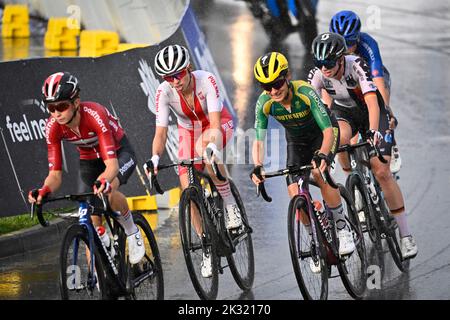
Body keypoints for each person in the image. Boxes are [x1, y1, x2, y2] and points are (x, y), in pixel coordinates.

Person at [308, 33, 417, 259]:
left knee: (382, 171)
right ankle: (353, 181)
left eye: (328, 63)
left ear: (340, 59)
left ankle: (406, 237)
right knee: (339, 140)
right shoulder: (318, 75)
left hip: (372, 112)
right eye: (320, 64)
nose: (324, 69)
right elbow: (317, 115)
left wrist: (375, 131)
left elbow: (371, 101)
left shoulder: (356, 64)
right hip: (346, 114)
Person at [249, 51, 356, 268]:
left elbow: (327, 130)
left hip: (323, 133)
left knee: (319, 173)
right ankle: (315, 240)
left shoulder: (305, 92)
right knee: (295, 196)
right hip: (296, 142)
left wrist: (322, 155)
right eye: (265, 86)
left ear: (287, 76)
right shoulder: (265, 103)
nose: (273, 90)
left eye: (277, 83)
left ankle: (343, 228)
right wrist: (258, 166)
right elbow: (259, 140)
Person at [28, 71, 145, 265]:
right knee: (92, 220)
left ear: (75, 102)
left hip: (118, 154)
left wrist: (104, 181)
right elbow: (55, 175)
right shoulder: (52, 127)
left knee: (108, 190)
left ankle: (132, 231)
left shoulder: (94, 114)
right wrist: (44, 189)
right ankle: (102, 276)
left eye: (62, 106)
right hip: (89, 160)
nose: (56, 113)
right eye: (51, 108)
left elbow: (112, 166)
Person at [147, 44, 240, 278]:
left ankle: (229, 204)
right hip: (188, 131)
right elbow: (160, 133)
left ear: (188, 68)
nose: (175, 81)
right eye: (168, 77)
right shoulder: (164, 92)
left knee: (205, 151)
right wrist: (155, 158)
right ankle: (206, 244)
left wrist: (210, 147)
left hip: (215, 124)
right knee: (186, 189)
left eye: (178, 74)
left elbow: (216, 124)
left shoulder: (205, 80)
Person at [329, 10, 401, 173]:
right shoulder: (329, 47)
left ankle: (390, 139)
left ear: (358, 38)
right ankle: (355, 178)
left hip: (371, 76)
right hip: (348, 80)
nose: (346, 50)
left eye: (350, 44)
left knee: (379, 101)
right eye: (342, 45)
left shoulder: (369, 44)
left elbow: (377, 81)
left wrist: (386, 111)